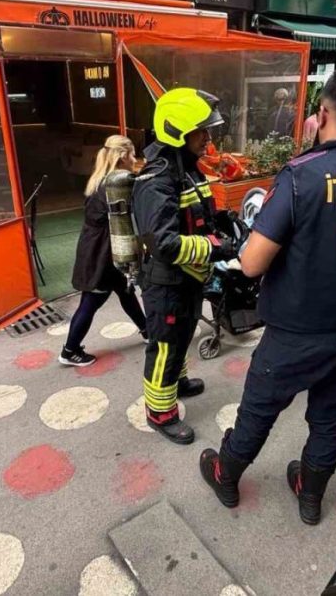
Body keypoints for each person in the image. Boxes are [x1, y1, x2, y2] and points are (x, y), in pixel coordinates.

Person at [198, 67, 336, 524]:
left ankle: (227, 473)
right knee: (329, 413)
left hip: (295, 332)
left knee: (258, 410)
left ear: (322, 113)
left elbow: (253, 262)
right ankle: (310, 495)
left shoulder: (301, 175)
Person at [133, 88, 233, 444]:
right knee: (164, 346)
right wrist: (214, 246)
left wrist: (224, 219)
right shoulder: (156, 179)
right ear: (177, 130)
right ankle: (160, 413)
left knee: (183, 334)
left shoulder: (186, 169)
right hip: (166, 281)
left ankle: (177, 381)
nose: (208, 137)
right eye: (201, 130)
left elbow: (195, 213)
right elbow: (163, 243)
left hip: (187, 277)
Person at [60, 136, 148, 366]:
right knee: (91, 302)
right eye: (132, 155)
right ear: (121, 157)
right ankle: (69, 351)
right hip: (101, 254)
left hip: (99, 248)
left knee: (126, 291)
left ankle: (147, 330)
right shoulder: (117, 182)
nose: (134, 160)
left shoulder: (100, 179)